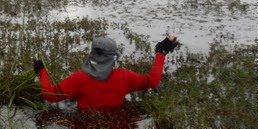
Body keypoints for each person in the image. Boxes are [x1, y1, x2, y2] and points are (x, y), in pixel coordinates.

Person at [34, 35, 178, 110]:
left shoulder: (78, 79)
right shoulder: (125, 77)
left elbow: (49, 95)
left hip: (85, 119)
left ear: (91, 54)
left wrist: (42, 71)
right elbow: (153, 80)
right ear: (114, 57)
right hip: (118, 117)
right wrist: (161, 52)